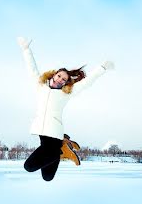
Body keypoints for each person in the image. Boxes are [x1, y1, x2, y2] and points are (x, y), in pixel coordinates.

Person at [17, 36, 115, 181]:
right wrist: (26, 49)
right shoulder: (40, 86)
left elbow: (87, 82)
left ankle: (62, 151)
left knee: (29, 167)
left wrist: (102, 68)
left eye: (64, 79)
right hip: (42, 133)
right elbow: (31, 68)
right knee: (47, 177)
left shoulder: (65, 93)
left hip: (54, 132)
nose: (60, 80)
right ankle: (62, 148)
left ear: (65, 83)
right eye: (59, 76)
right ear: (53, 74)